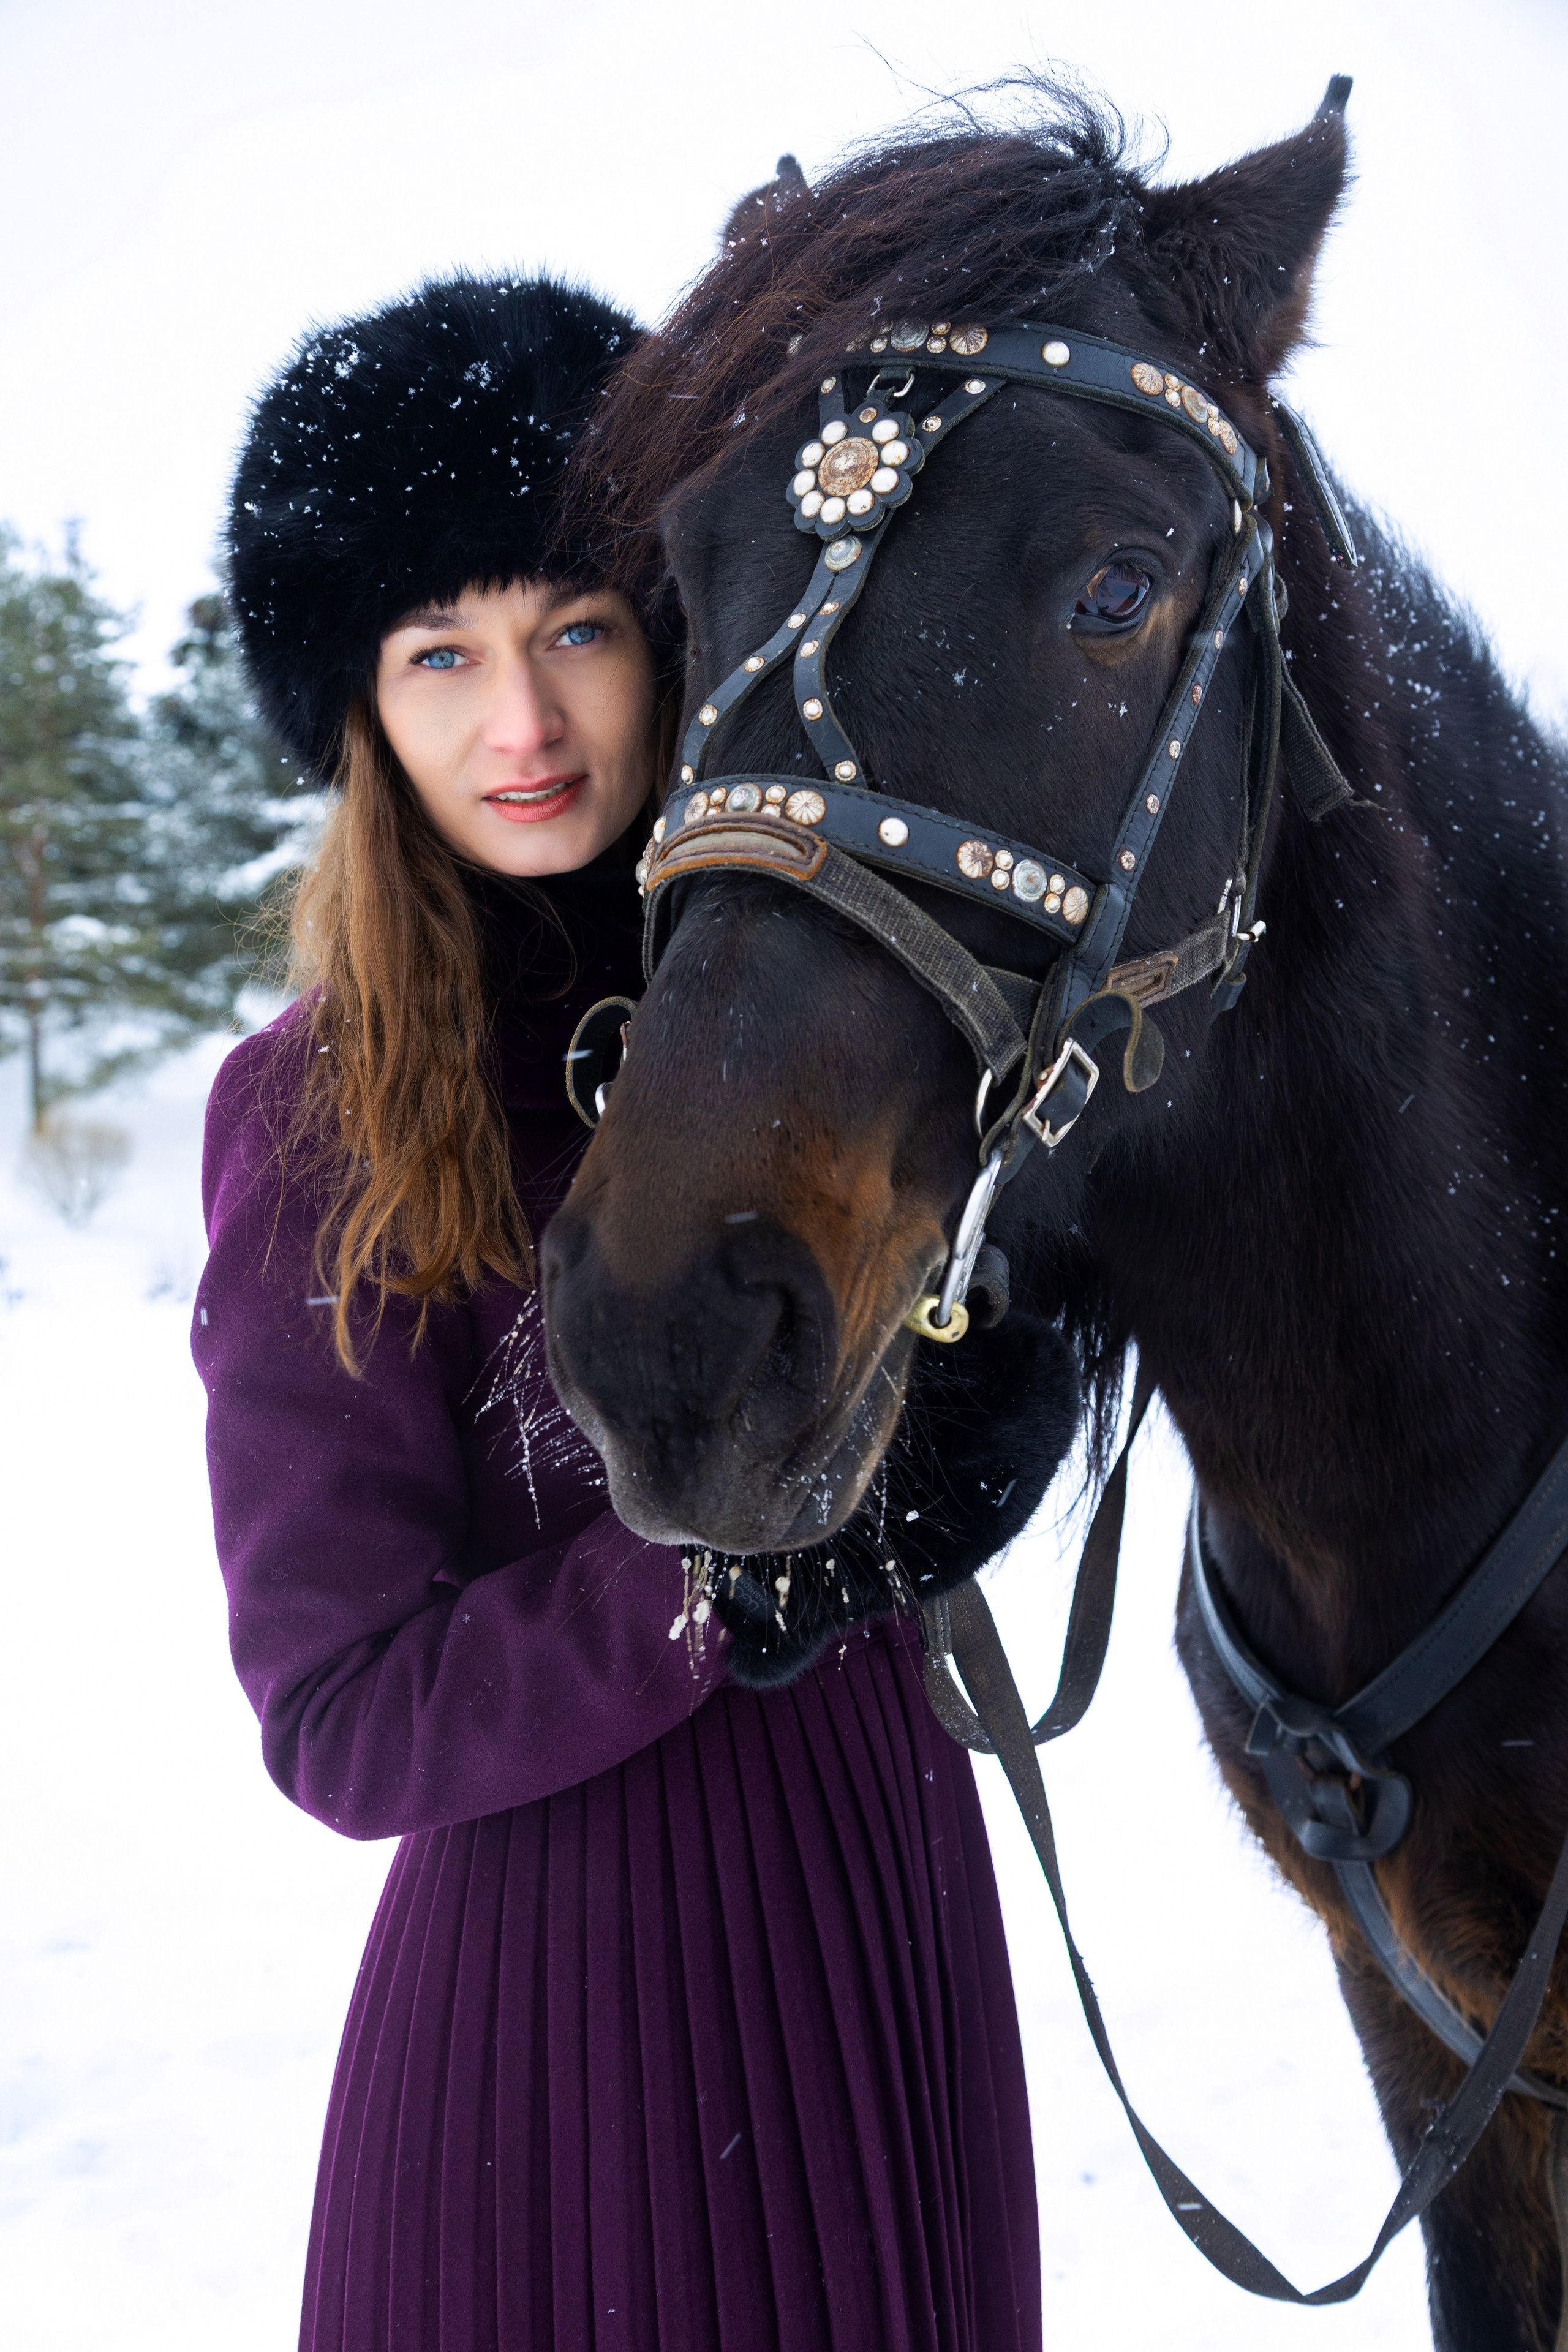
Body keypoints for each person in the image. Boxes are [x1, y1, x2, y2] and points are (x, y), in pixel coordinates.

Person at [198, 271, 1046, 2351]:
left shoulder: (821, 1029)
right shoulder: (318, 1111)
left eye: (575, 628)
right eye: (441, 654)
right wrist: (729, 1583)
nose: (526, 723)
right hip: (577, 2018)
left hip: (887, 1911)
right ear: (358, 710)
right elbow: (340, 1709)